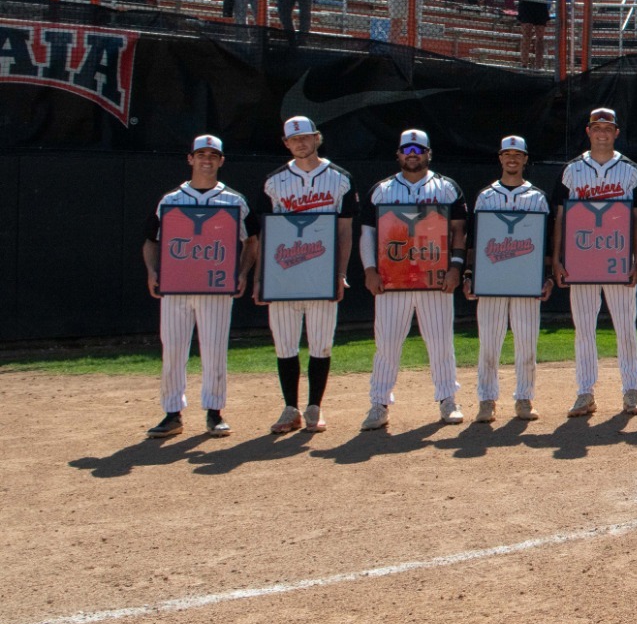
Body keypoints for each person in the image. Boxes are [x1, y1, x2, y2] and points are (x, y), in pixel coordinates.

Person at [141, 135, 250, 439]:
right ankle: (172, 413)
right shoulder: (171, 200)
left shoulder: (234, 200)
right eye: (200, 154)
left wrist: (242, 272)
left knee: (214, 350)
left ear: (221, 161)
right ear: (190, 159)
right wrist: (151, 271)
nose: (206, 160)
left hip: (215, 288)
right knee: (173, 350)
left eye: (212, 155)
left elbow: (250, 241)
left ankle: (215, 413)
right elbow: (151, 240)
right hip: (176, 287)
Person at [252, 116, 356, 434]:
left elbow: (345, 230)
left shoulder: (339, 179)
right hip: (284, 274)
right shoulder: (274, 181)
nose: (300, 142)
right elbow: (263, 235)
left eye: (306, 137)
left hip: (322, 274)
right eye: (293, 139)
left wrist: (340, 273)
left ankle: (314, 407)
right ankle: (289, 408)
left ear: (316, 138)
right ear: (286, 143)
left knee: (321, 344)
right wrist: (260, 279)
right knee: (285, 344)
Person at [359, 129, 467, 430]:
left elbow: (459, 230)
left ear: (428, 153)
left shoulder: (447, 188)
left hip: (435, 279)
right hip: (392, 280)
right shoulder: (381, 190)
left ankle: (448, 399)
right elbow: (367, 234)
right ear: (398, 154)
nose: (412, 154)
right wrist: (369, 270)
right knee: (387, 343)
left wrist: (456, 267)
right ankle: (378, 403)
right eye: (406, 148)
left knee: (441, 341)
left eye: (418, 149)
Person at [558, 108, 637, 419]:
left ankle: (631, 389)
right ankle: (585, 392)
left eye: (608, 127)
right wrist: (559, 258)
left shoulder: (631, 170)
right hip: (581, 261)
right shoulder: (572, 170)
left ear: (616, 132)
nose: (602, 133)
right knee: (584, 329)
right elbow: (561, 216)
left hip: (618, 259)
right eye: (597, 127)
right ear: (589, 131)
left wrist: (636, 259)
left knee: (625, 327)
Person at [464, 136, 554, 423]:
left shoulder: (537, 197)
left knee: (527, 343)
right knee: (489, 342)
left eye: (518, 154)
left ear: (526, 159)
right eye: (507, 154)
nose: (512, 159)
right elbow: (474, 240)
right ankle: (487, 399)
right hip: (492, 281)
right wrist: (469, 275)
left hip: (526, 282)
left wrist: (548, 277)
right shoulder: (486, 196)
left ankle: (524, 398)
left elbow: (546, 243)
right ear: (500, 158)